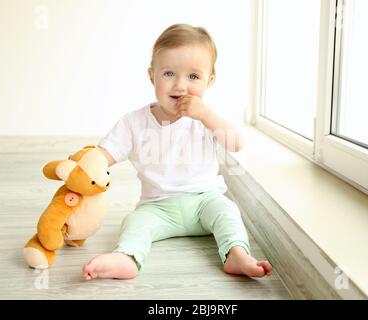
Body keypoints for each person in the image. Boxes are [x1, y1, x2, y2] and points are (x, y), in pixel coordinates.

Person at [82, 23, 272, 280]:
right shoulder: (133, 122)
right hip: (158, 207)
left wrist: (206, 115)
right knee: (134, 223)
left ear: (209, 80)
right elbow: (105, 154)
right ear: (152, 76)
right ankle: (127, 257)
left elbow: (237, 143)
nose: (180, 86)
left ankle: (236, 253)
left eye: (193, 77)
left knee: (228, 212)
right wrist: (88, 164)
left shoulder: (205, 119)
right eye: (169, 74)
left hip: (205, 200)